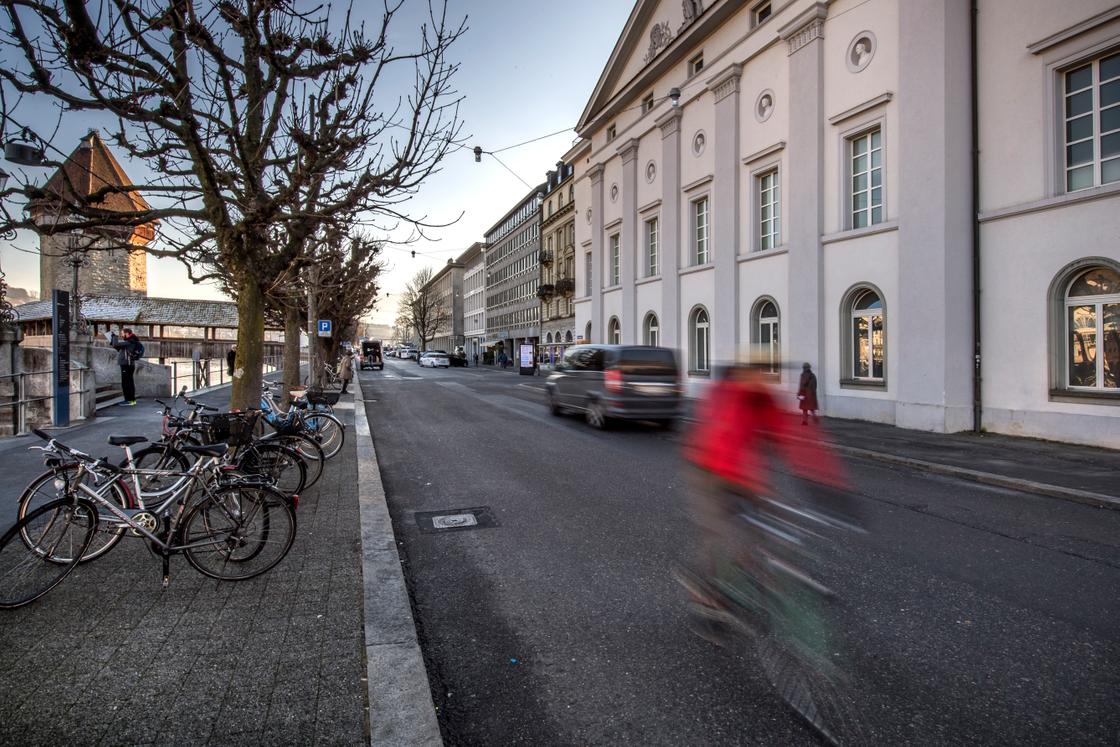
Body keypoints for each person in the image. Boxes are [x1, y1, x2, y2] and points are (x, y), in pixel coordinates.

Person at [678, 359, 845, 641]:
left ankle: (763, 580)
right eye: (753, 373)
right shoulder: (728, 395)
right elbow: (722, 443)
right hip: (707, 470)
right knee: (720, 535)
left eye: (763, 374)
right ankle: (705, 596)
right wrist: (741, 488)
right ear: (740, 375)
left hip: (744, 476)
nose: (760, 379)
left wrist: (831, 488)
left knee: (767, 529)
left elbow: (796, 441)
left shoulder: (763, 399)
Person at [109, 327, 143, 405]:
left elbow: (116, 344)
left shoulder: (130, 341)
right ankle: (131, 400)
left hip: (127, 364)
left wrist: (114, 337)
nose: (121, 335)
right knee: (129, 382)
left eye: (122, 333)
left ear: (127, 333)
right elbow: (117, 346)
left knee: (126, 383)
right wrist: (113, 341)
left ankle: (129, 400)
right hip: (128, 364)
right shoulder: (130, 341)